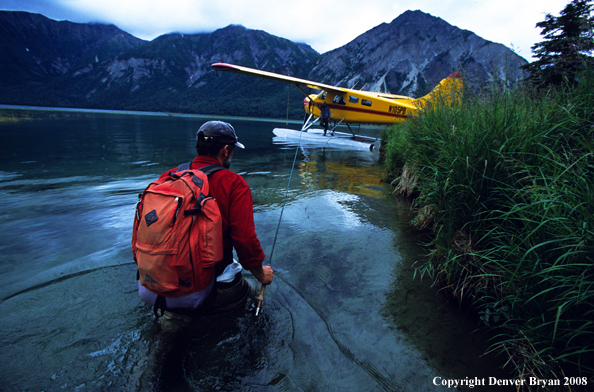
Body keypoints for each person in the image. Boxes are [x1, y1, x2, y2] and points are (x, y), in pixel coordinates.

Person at [138, 120, 273, 317]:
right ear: (225, 150)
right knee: (253, 293)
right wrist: (261, 273)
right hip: (212, 286)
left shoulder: (170, 176)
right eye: (233, 150)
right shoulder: (234, 183)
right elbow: (244, 240)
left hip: (162, 280)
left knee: (171, 333)